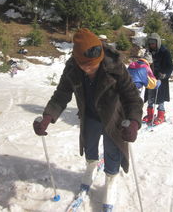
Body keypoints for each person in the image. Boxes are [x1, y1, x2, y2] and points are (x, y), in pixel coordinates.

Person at [33, 28, 143, 211]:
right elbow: (61, 94)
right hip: (90, 115)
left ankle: (111, 180)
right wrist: (47, 116)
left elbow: (132, 96)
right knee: (90, 145)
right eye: (87, 66)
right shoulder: (72, 69)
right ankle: (91, 167)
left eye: (95, 64)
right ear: (77, 61)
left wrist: (134, 121)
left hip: (114, 117)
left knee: (112, 150)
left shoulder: (114, 66)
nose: (92, 69)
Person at [143, 33, 173, 125]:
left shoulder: (165, 52)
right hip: (151, 78)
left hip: (161, 78)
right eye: (150, 43)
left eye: (153, 43)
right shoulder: (148, 52)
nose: (152, 45)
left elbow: (170, 66)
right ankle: (150, 115)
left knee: (160, 98)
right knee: (150, 97)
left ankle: (161, 115)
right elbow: (144, 63)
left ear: (158, 42)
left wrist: (164, 74)